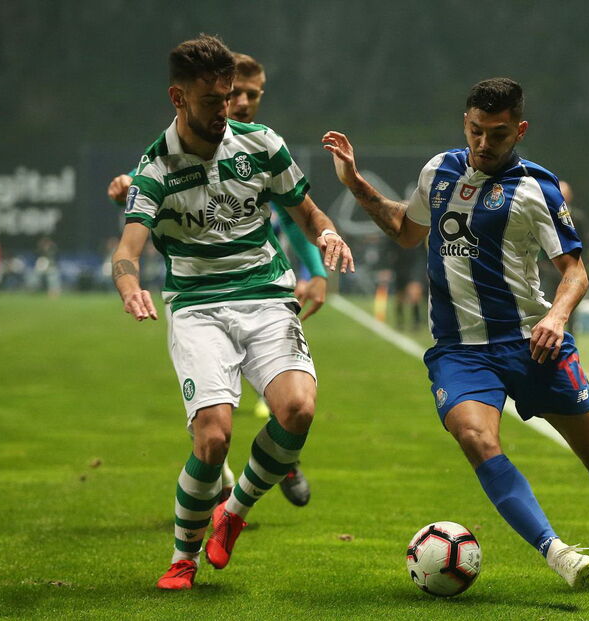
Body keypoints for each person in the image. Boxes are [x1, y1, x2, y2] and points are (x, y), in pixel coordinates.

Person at [323, 78, 589, 588]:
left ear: (518, 130)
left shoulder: (536, 188)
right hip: (460, 352)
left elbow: (576, 272)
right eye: (476, 130)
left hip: (531, 341)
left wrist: (556, 317)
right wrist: (356, 182)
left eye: (497, 134)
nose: (483, 143)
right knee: (477, 439)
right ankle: (557, 551)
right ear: (465, 124)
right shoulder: (439, 171)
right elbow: (407, 232)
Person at [111, 35, 353, 591]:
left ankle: (234, 512)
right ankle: (182, 559)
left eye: (230, 97)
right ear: (178, 97)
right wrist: (129, 287)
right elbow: (127, 252)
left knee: (298, 410)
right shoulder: (157, 166)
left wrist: (331, 234)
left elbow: (309, 213)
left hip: (267, 296)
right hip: (197, 307)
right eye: (211, 101)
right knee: (213, 439)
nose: (225, 111)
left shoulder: (262, 144)